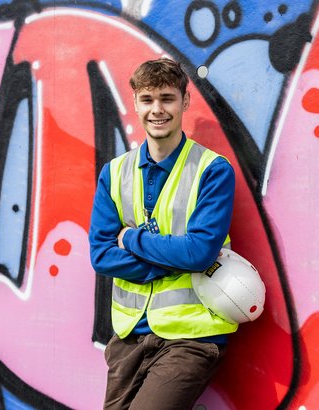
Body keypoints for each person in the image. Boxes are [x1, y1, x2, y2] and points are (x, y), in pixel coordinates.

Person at [89, 58, 238, 410]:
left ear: (185, 102)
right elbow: (100, 254)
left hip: (192, 336)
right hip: (129, 337)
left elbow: (199, 253)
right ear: (136, 103)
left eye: (167, 99)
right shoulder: (115, 172)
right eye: (148, 99)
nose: (157, 110)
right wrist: (172, 262)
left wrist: (131, 239)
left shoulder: (212, 170)